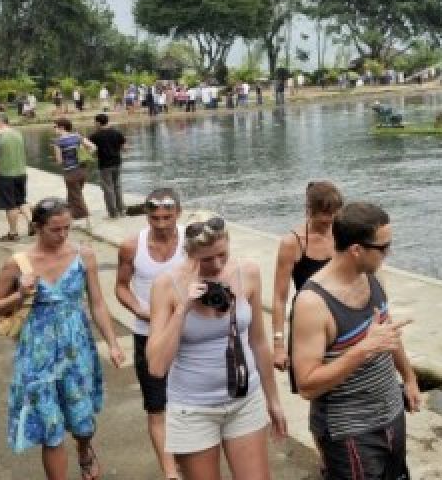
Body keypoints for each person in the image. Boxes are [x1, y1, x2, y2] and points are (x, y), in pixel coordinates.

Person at [0, 196, 126, 480]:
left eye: (67, 229)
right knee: (51, 429)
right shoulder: (17, 264)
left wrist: (112, 342)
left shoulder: (84, 256)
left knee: (83, 422)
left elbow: (97, 303)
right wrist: (18, 295)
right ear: (37, 227)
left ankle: (85, 450)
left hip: (77, 348)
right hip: (37, 354)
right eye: (55, 229)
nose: (62, 235)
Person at [146, 213, 287, 480]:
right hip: (194, 407)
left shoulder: (248, 273)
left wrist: (274, 401)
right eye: (206, 259)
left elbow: (258, 342)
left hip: (244, 399)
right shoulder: (166, 285)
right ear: (188, 254)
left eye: (222, 254)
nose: (217, 264)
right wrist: (183, 308)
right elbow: (156, 366)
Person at [291, 202, 421, 480]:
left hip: (391, 415)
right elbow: (306, 385)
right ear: (356, 250)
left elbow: (387, 334)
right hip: (349, 431)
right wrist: (362, 349)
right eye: (383, 247)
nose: (388, 253)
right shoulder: (313, 303)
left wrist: (409, 378)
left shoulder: (373, 277)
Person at [116, 189, 186, 480]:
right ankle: (170, 473)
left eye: (167, 217)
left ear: (178, 214)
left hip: (186, 335)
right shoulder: (132, 246)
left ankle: (186, 459)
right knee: (157, 407)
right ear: (147, 216)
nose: (160, 224)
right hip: (149, 334)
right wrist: (143, 311)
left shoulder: (191, 242)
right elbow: (121, 287)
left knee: (187, 404)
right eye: (155, 218)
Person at [271, 181, 339, 379]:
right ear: (309, 210)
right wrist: (278, 345)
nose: (330, 219)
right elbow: (279, 297)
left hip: (339, 320)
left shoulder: (342, 234)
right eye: (324, 214)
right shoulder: (292, 243)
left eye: (334, 212)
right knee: (314, 383)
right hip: (308, 323)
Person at [0, 112, 31, 241]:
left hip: (5, 175)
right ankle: (31, 222)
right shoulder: (19, 134)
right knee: (22, 200)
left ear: (0, 121)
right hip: (21, 173)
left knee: (10, 205)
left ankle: (13, 233)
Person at [52, 118, 96, 223]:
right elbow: (93, 147)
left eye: (55, 127)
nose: (54, 129)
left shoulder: (58, 142)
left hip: (70, 172)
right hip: (82, 170)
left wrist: (64, 159)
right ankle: (69, 213)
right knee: (73, 194)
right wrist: (84, 154)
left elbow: (59, 161)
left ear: (61, 127)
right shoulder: (77, 137)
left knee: (76, 195)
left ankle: (85, 215)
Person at [90, 113, 127, 217]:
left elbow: (89, 148)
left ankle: (113, 212)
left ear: (98, 122)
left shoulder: (95, 136)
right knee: (117, 186)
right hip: (117, 162)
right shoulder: (116, 132)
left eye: (94, 122)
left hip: (104, 164)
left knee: (108, 189)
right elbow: (125, 147)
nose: (94, 124)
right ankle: (122, 210)